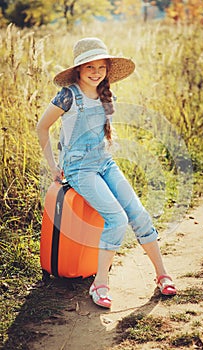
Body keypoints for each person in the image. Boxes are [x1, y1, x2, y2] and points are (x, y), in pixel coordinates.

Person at [37, 37, 177, 309]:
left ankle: (162, 275)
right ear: (78, 69)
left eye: (100, 67)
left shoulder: (105, 92)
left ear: (107, 69)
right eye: (89, 67)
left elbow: (104, 131)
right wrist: (53, 165)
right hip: (80, 169)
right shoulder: (68, 95)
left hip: (105, 164)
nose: (95, 72)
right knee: (116, 219)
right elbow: (42, 127)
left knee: (138, 214)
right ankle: (100, 284)